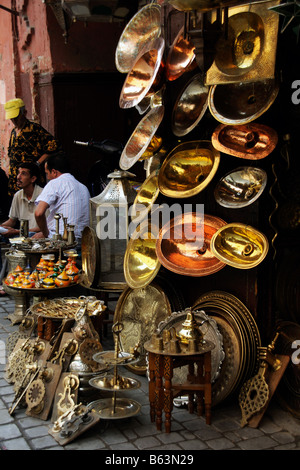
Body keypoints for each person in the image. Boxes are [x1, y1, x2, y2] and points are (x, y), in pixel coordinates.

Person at [4, 98, 61, 197]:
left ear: (24, 113)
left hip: (31, 181)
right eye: (12, 118)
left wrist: (37, 163)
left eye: (16, 117)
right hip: (16, 182)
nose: (14, 120)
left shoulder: (34, 129)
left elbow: (54, 146)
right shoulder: (14, 132)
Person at [34, 151, 90, 243]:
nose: (47, 177)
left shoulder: (55, 183)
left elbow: (38, 213)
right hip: (82, 241)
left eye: (47, 173)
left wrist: (45, 233)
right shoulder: (83, 187)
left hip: (60, 241)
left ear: (54, 172)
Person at [0, 162, 44, 238]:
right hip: (22, 235)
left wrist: (16, 231)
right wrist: (1, 227)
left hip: (39, 237)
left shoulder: (43, 195)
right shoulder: (18, 195)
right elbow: (12, 221)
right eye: (18, 173)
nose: (18, 177)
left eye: (23, 174)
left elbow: (45, 228)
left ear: (33, 179)